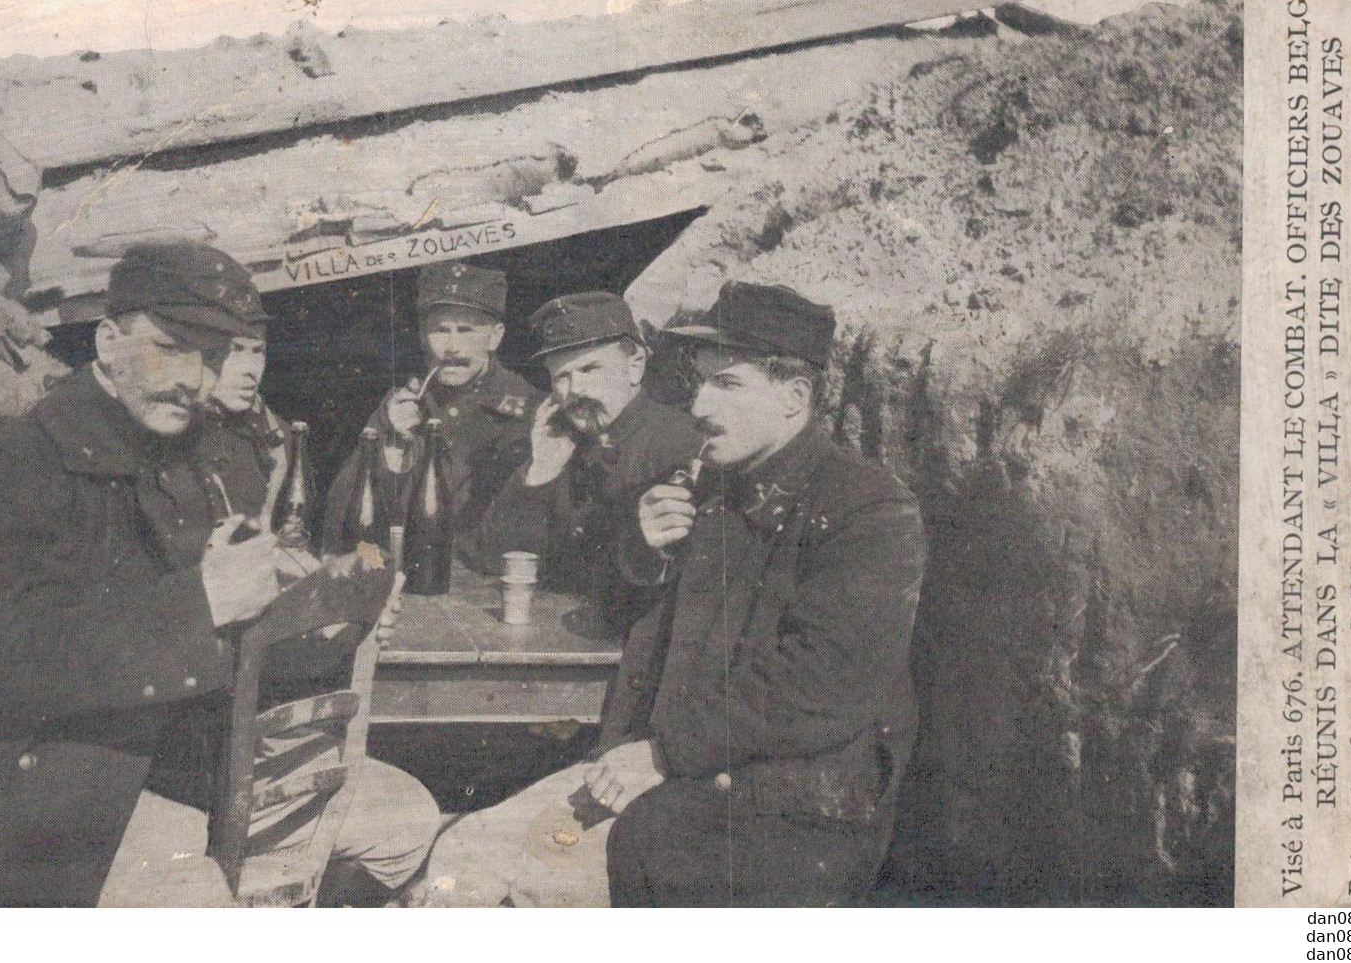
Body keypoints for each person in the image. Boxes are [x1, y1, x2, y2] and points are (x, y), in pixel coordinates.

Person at [0, 242, 430, 907]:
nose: (190, 379)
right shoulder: (17, 470)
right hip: (51, 789)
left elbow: (234, 637)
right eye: (170, 347)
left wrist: (331, 616)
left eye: (209, 357)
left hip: (181, 756)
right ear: (110, 341)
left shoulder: (203, 453)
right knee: (197, 903)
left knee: (404, 823)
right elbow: (8, 674)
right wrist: (202, 598)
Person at [420, 281, 924, 908]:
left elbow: (824, 684)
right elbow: (623, 625)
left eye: (727, 384)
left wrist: (660, 754)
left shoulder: (865, 507)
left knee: (523, 884)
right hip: (669, 774)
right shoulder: (709, 484)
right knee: (464, 856)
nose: (700, 404)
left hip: (784, 812)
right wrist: (643, 553)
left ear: (795, 398)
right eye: (700, 381)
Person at [475, 291, 703, 633]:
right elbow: (497, 560)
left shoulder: (678, 443)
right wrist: (540, 474)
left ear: (635, 364)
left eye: (590, 368)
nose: (574, 390)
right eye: (561, 377)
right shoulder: (560, 440)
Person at [320, 261, 536, 564]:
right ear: (422, 336)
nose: (451, 347)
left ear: (495, 336)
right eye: (439, 330)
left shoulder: (529, 411)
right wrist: (387, 441)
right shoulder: (400, 405)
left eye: (466, 330)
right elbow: (340, 519)